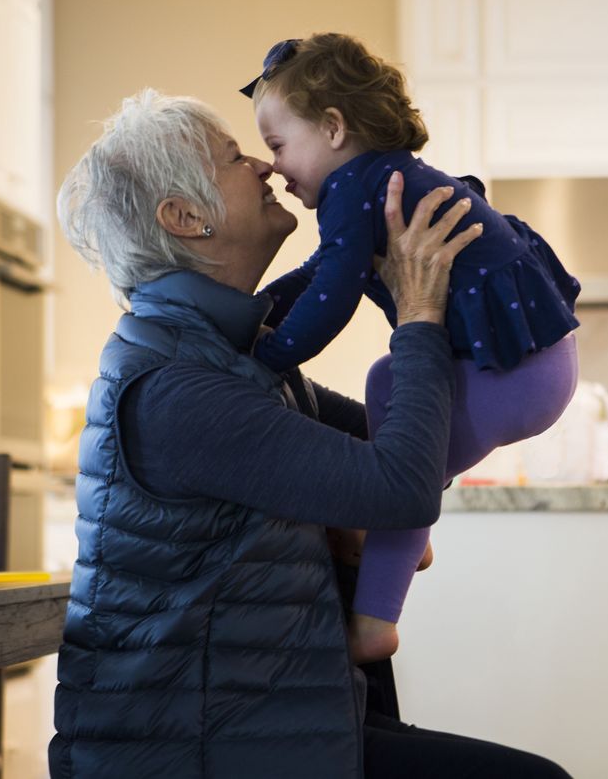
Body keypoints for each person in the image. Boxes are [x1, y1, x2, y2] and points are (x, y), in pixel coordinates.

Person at [49, 89, 571, 779]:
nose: (265, 169)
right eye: (237, 157)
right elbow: (403, 488)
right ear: (184, 217)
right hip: (198, 749)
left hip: (266, 723)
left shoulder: (231, 357)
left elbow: (401, 453)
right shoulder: (177, 388)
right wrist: (419, 314)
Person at [241, 33, 581, 662]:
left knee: (400, 455)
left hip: (515, 373)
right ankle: (404, 535)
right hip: (536, 365)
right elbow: (321, 271)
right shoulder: (379, 178)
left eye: (278, 146)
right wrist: (255, 313)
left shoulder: (353, 189)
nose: (276, 168)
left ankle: (375, 619)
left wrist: (273, 351)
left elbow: (335, 292)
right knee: (386, 382)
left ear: (334, 129)